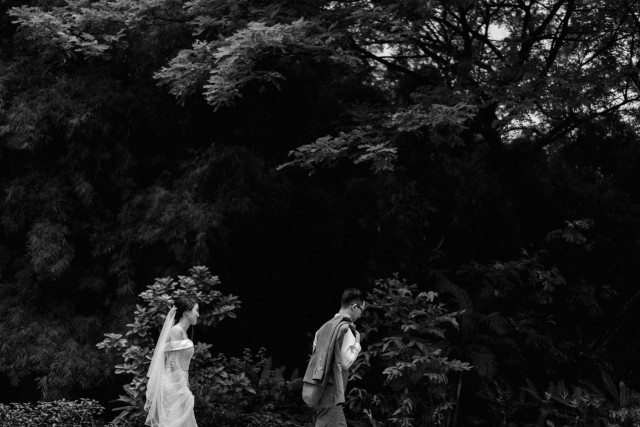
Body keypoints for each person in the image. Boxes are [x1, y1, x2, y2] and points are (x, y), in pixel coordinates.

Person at [302, 288, 365, 427]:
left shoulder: (323, 328)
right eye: (361, 310)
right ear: (354, 306)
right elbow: (345, 362)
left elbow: (315, 355)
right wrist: (357, 343)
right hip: (333, 389)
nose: (360, 315)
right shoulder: (345, 328)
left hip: (319, 385)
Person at [145, 296, 200, 427]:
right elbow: (173, 362)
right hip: (174, 382)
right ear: (187, 312)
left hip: (179, 380)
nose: (198, 314)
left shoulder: (182, 332)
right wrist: (182, 389)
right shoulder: (176, 330)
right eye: (196, 310)